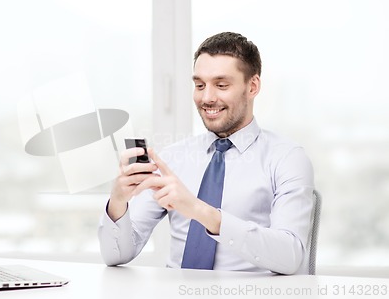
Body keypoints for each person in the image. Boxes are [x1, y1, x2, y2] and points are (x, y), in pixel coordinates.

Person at [98, 32, 315, 275]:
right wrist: (118, 202)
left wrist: (200, 211)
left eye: (221, 85)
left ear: (252, 86)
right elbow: (115, 256)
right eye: (200, 85)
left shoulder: (287, 159)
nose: (207, 98)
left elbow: (291, 256)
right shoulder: (172, 159)